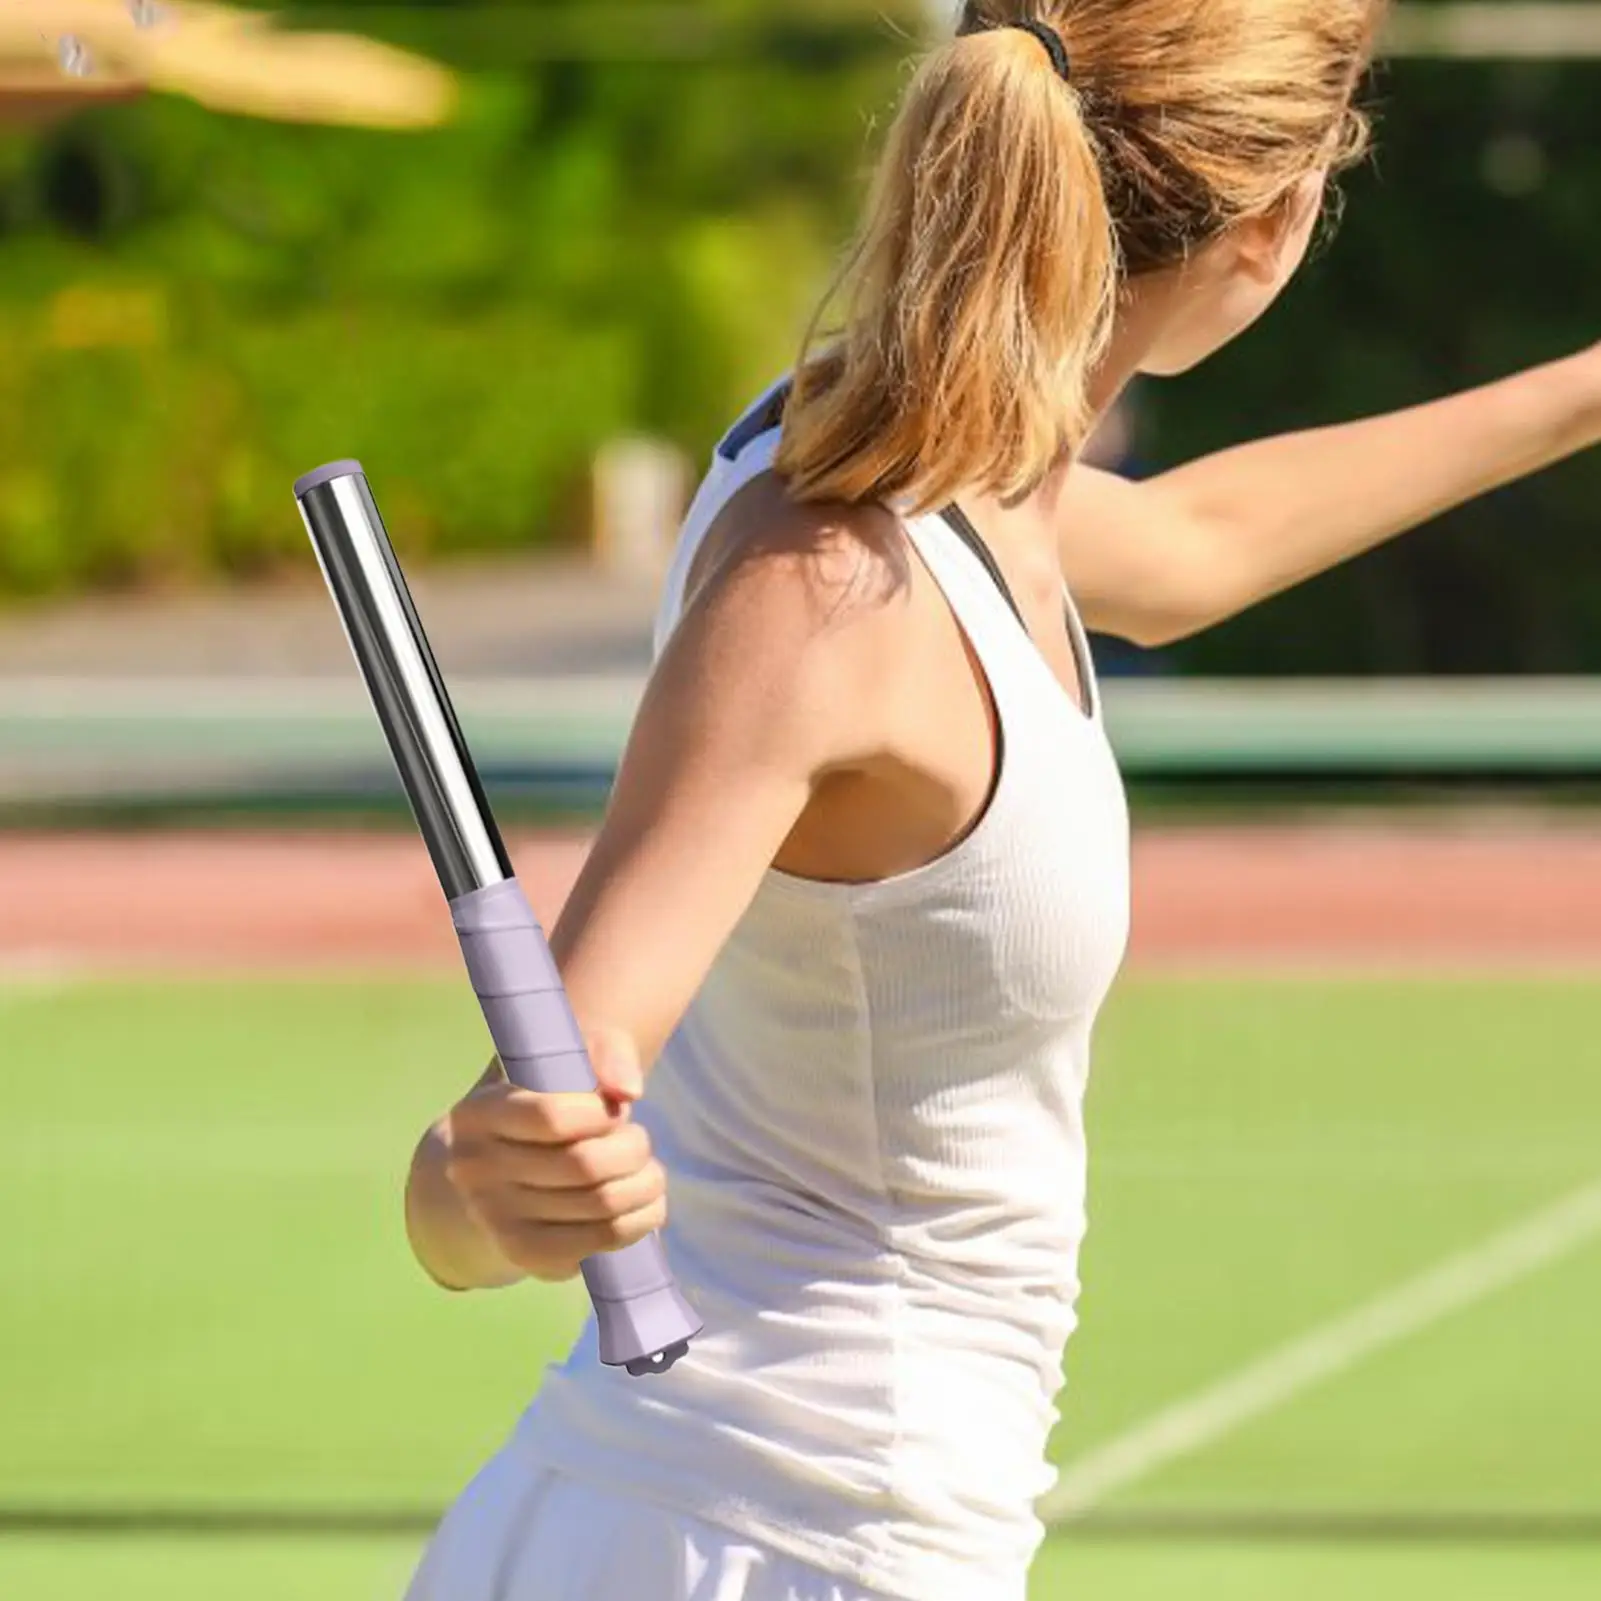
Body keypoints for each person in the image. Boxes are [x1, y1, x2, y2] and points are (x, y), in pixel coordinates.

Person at [400, 4, 1601, 1598]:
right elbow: (471, 1182)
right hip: (779, 1545)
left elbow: (1194, 547)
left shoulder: (927, 475)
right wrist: (498, 1182)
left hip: (797, 1531)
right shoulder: (832, 586)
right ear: (1275, 223)